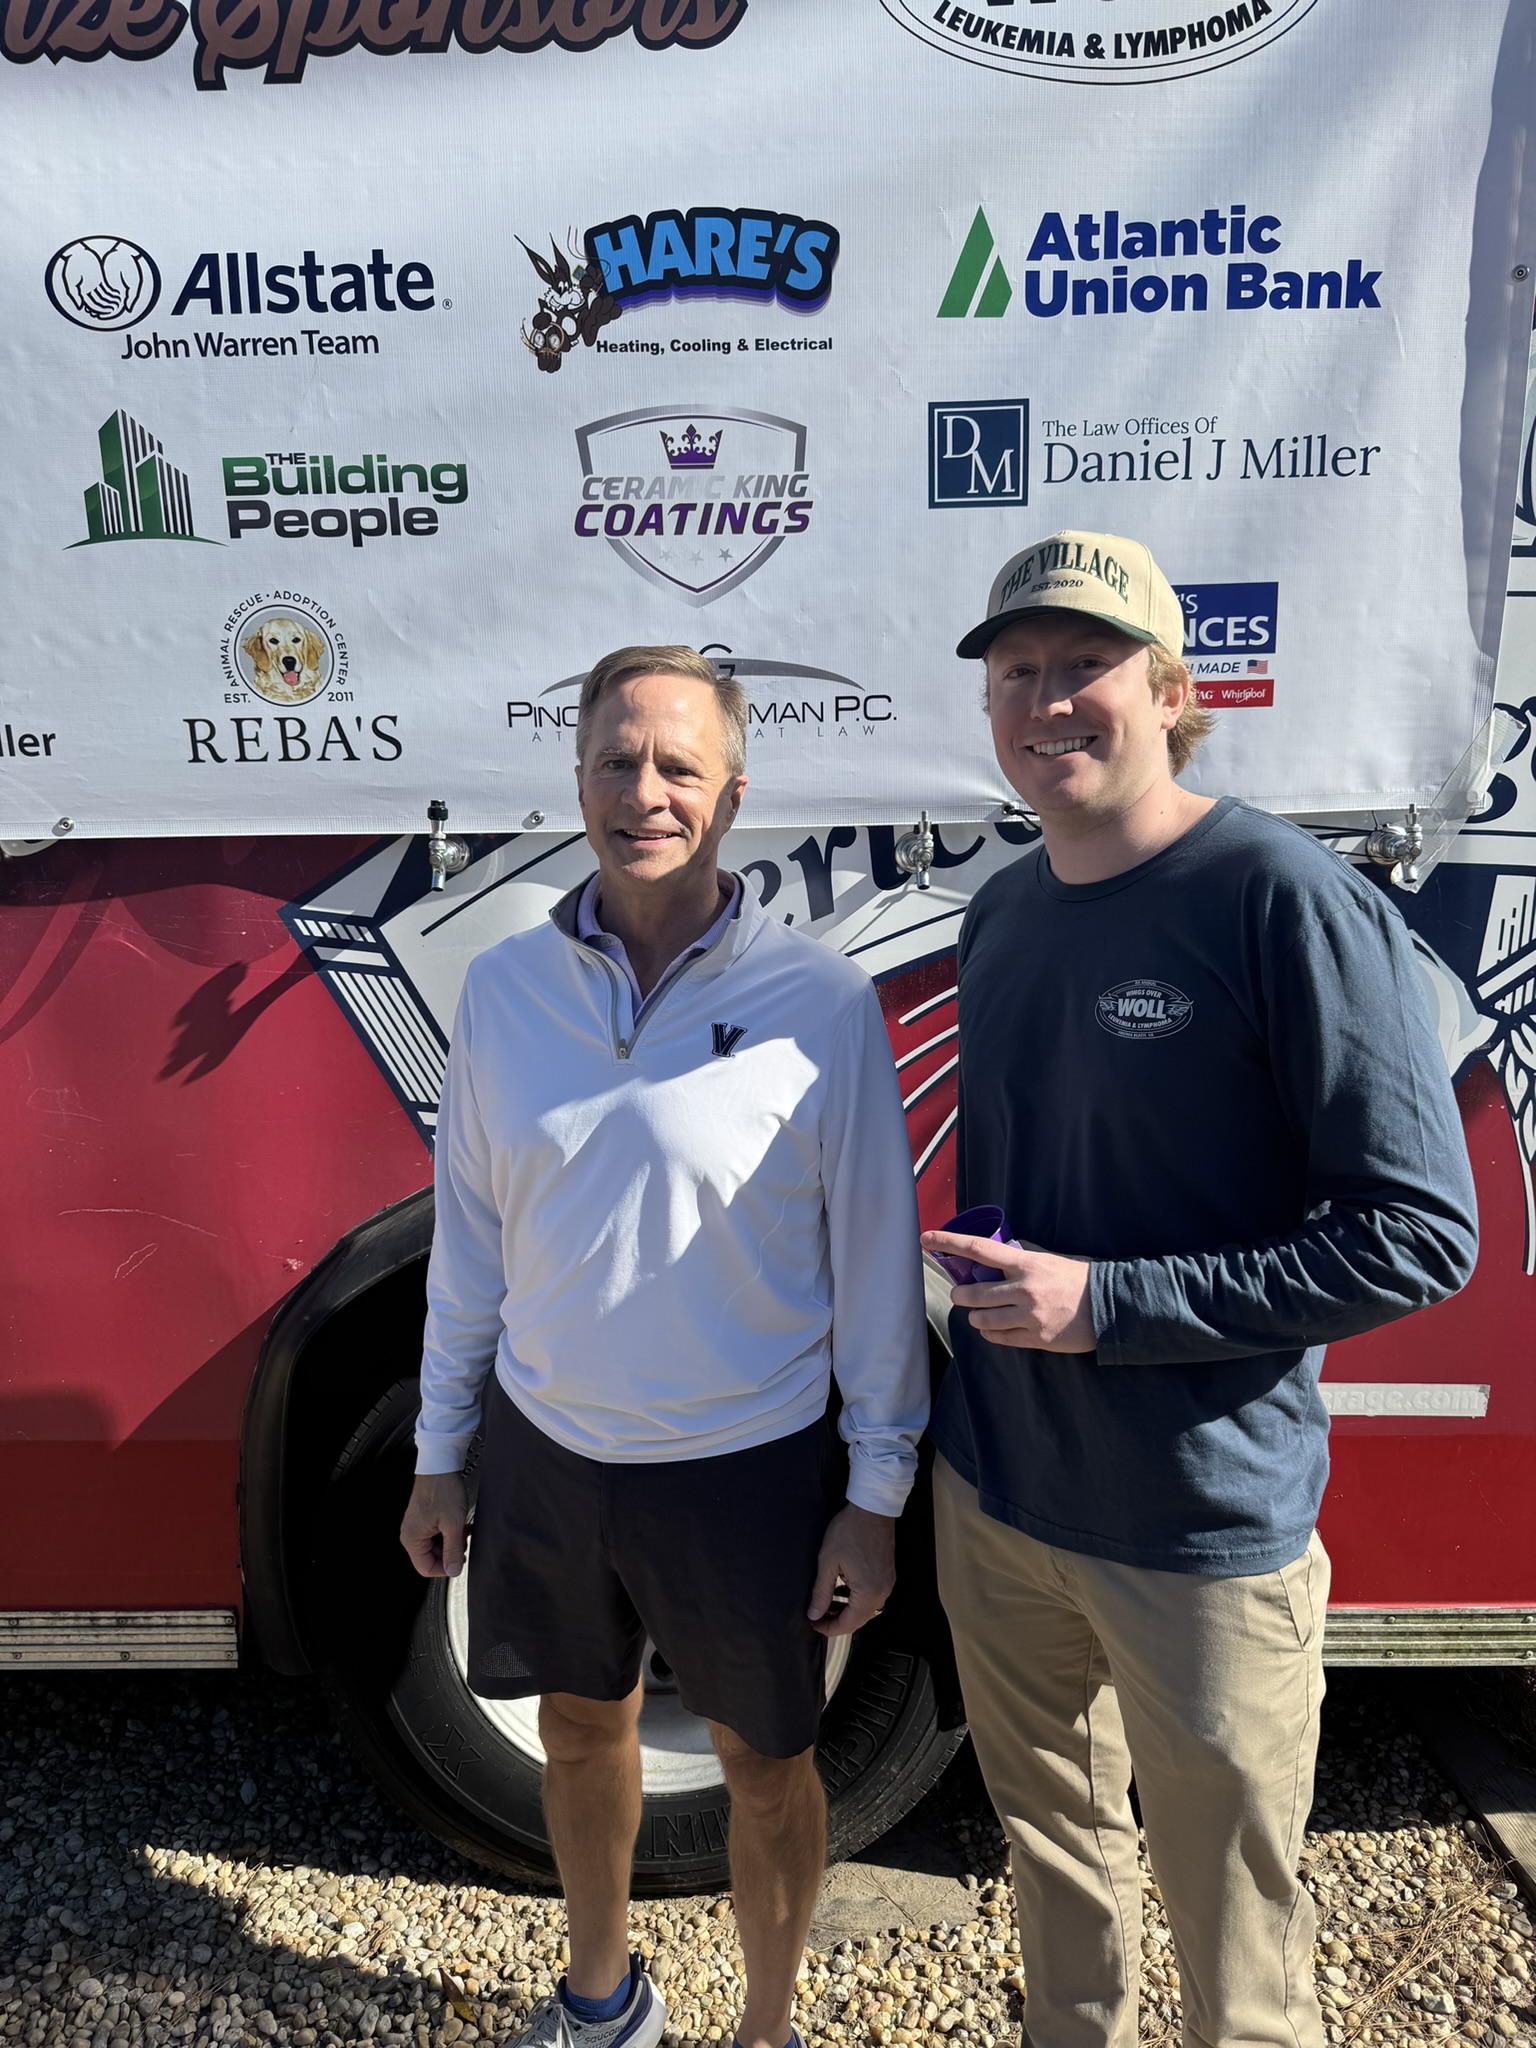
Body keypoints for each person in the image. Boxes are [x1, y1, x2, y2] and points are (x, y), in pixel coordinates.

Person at [922, 531, 1478, 2048]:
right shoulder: (1002, 914)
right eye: (1016, 671)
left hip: (1200, 1529)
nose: (1046, 700)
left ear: (1173, 693)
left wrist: (1107, 1306)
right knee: (1055, 1873)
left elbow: (1420, 1231)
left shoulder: (1282, 898)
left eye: (1085, 666)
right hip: (999, 1499)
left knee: (1237, 1944)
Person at [399, 645, 929, 2048]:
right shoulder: (503, 989)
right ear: (576, 782)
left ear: (733, 794)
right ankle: (602, 2002)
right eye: (616, 762)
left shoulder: (823, 1003)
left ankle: (766, 2026)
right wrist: (441, 1454)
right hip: (552, 1452)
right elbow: (472, 1240)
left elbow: (878, 1264)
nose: (646, 792)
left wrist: (875, 1497)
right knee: (581, 1733)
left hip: (747, 1469)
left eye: (679, 766)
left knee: (766, 1766)